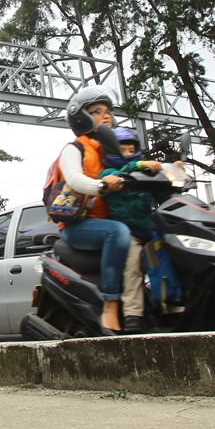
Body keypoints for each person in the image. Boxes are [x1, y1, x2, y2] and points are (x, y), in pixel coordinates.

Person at [57, 86, 131, 332]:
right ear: (82, 116)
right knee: (117, 232)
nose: (106, 115)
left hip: (110, 218)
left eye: (108, 110)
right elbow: (75, 179)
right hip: (79, 225)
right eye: (97, 111)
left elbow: (137, 167)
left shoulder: (112, 150)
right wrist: (102, 185)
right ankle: (110, 303)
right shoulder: (74, 148)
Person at [99, 127, 184, 333]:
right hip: (129, 232)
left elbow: (165, 183)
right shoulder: (109, 174)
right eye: (123, 150)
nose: (128, 153)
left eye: (131, 150)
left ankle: (170, 303)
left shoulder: (145, 171)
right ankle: (133, 315)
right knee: (132, 269)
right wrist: (139, 163)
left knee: (166, 262)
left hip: (151, 229)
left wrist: (173, 168)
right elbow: (122, 173)